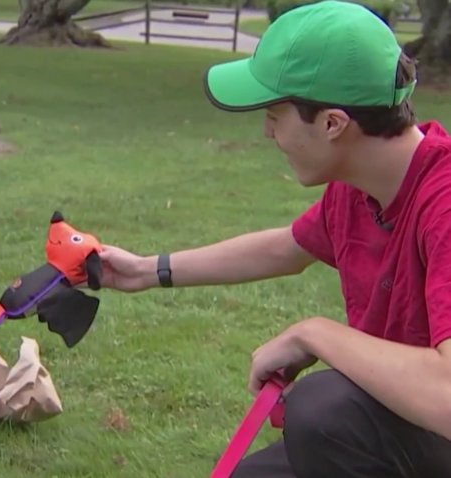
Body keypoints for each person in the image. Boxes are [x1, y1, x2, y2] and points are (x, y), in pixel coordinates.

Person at [96, 1, 451, 476]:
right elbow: (287, 246)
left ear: (332, 123)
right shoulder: (357, 189)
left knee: (324, 410)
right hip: (400, 425)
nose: (267, 132)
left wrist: (315, 333)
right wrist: (147, 270)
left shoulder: (444, 205)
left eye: (274, 114)